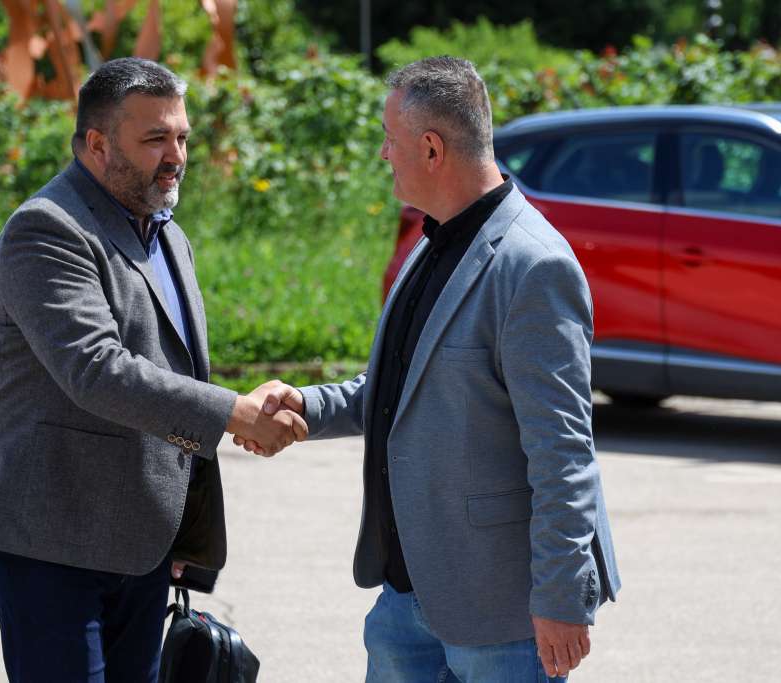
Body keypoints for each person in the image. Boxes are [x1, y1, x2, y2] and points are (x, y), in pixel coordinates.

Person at [237, 56, 620, 682]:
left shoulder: (534, 267)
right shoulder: (430, 242)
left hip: (502, 615)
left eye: (390, 139)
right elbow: (402, 391)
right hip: (406, 600)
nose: (384, 154)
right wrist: (307, 404)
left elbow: (563, 452)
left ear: (432, 148)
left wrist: (560, 597)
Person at [0, 57, 305, 682]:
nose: (175, 156)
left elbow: (175, 370)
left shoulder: (166, 233)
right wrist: (236, 412)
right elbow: (97, 370)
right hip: (51, 535)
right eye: (155, 139)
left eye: (182, 138)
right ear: (98, 144)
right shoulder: (46, 230)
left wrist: (184, 528)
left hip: (143, 540)